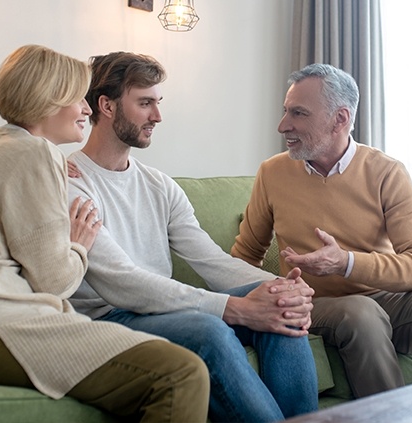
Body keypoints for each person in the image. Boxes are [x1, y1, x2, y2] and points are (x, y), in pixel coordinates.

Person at [0, 44, 209, 422]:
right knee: (181, 373)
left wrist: (54, 171)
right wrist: (77, 245)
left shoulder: (6, 148)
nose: (87, 109)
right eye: (78, 98)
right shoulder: (33, 154)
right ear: (48, 100)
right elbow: (54, 283)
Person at [66, 51, 319, 423]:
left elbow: (211, 261)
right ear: (106, 105)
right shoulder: (72, 182)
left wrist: (282, 288)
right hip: (110, 319)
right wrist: (233, 307)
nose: (158, 116)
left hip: (163, 310)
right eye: (145, 103)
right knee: (208, 329)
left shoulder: (159, 186)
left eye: (158, 103)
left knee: (281, 307)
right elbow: (123, 282)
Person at [231, 63, 412, 398]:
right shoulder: (273, 173)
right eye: (285, 111)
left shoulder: (385, 172)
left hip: (384, 299)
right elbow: (246, 255)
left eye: (298, 113)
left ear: (340, 119)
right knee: (360, 312)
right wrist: (251, 301)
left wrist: (346, 262)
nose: (283, 125)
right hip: (317, 303)